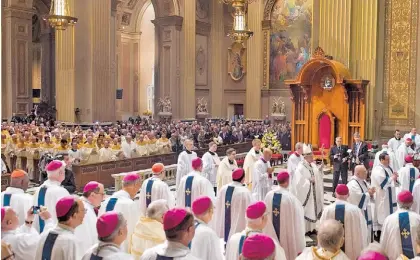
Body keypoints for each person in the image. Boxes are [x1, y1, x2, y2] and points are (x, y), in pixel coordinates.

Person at [263, 171, 305, 260]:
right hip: (287, 234)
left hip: (271, 234)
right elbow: (298, 218)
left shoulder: (268, 195)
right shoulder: (291, 198)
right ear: (287, 182)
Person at [320, 184, 368, 259]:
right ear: (348, 194)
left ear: (335, 193)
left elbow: (321, 230)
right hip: (351, 252)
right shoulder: (355, 210)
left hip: (330, 253)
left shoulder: (328, 210)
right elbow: (363, 230)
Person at [99, 173, 141, 252]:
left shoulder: (106, 202)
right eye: (139, 187)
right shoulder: (130, 205)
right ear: (135, 185)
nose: (138, 190)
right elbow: (135, 230)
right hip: (122, 249)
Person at [35, 196, 86, 260]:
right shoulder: (72, 242)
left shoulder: (44, 235)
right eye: (83, 210)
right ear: (74, 215)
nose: (84, 214)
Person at [214, 168, 253, 245]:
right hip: (238, 225)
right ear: (243, 179)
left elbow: (218, 206)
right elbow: (250, 208)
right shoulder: (244, 192)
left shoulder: (223, 189)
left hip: (225, 223)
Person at [380, 190, 420, 260]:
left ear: (398, 202)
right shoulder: (418, 218)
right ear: (412, 202)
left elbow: (383, 242)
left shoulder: (388, 220)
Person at [32, 160, 70, 233]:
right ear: (60, 173)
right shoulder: (61, 192)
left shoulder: (38, 189)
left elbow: (35, 210)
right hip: (56, 232)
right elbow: (68, 214)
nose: (65, 173)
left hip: (39, 232)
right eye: (64, 171)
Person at [294, 143, 324, 234]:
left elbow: (316, 174)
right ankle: (306, 229)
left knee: (313, 209)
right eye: (311, 156)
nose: (313, 158)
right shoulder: (301, 167)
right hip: (307, 192)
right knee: (307, 209)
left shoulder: (312, 165)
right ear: (306, 157)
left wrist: (320, 169)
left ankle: (312, 228)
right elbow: (298, 181)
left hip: (313, 192)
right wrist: (309, 181)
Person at [371, 153, 398, 241]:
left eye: (389, 159)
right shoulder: (378, 169)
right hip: (382, 196)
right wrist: (392, 178)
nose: (389, 161)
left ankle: (388, 231)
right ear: (381, 160)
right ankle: (379, 233)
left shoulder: (388, 168)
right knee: (382, 213)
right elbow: (382, 182)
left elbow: (392, 179)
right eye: (387, 159)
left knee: (388, 212)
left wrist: (395, 177)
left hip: (389, 195)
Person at [74, 181, 105, 254]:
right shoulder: (84, 210)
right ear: (92, 195)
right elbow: (84, 239)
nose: (104, 197)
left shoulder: (87, 207)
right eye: (102, 194)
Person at [347, 165, 375, 242]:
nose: (367, 173)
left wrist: (371, 192)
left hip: (366, 210)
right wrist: (369, 193)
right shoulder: (353, 184)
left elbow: (368, 191)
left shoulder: (363, 181)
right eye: (364, 172)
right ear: (358, 173)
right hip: (359, 212)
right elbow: (357, 198)